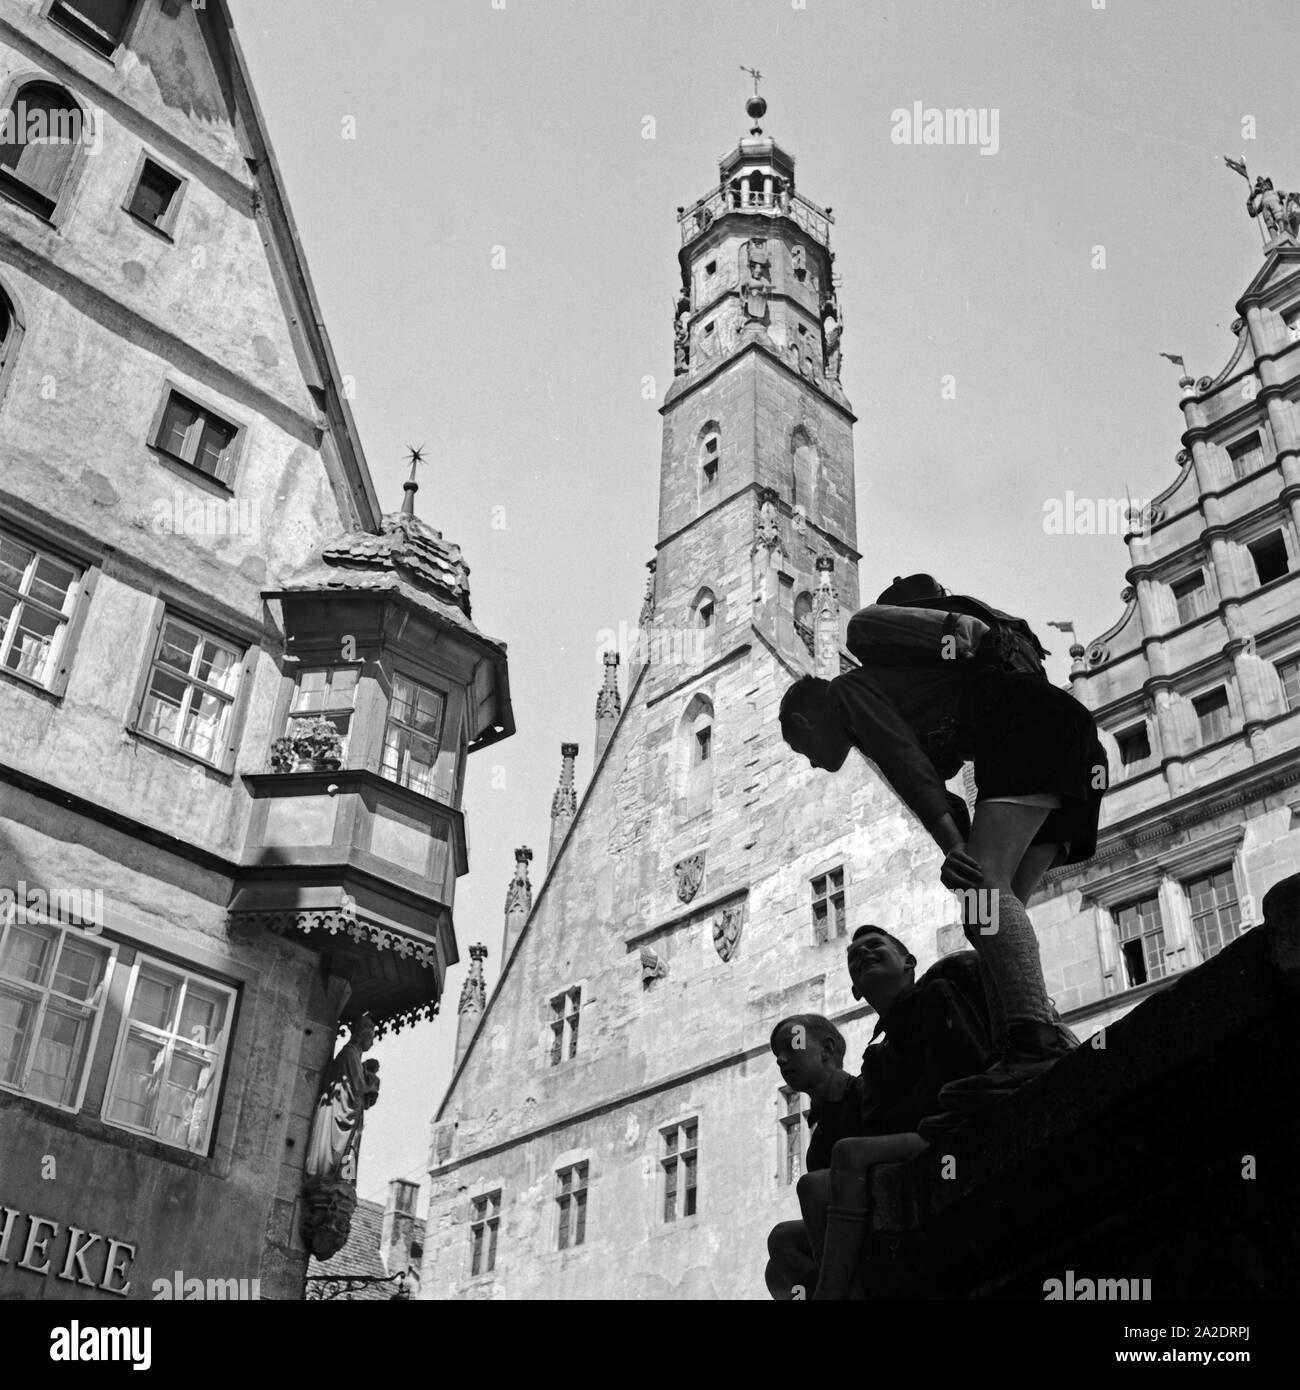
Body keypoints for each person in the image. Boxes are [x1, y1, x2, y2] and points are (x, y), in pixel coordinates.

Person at [779, 574, 1102, 1131]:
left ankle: (1032, 1043)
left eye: (802, 747)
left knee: (984, 896)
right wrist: (956, 847)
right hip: (1066, 737)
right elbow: (939, 778)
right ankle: (1017, 1050)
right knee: (990, 918)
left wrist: (955, 848)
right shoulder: (904, 685)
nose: (811, 763)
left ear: (805, 722)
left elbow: (911, 771)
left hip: (1028, 733)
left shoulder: (847, 694)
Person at [765, 926, 993, 1300]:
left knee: (836, 1166)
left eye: (793, 1045)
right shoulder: (878, 1055)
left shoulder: (932, 1001)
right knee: (778, 1266)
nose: (782, 1059)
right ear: (855, 988)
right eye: (777, 1056)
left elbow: (965, 1068)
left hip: (945, 1136)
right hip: (894, 1166)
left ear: (827, 1049)